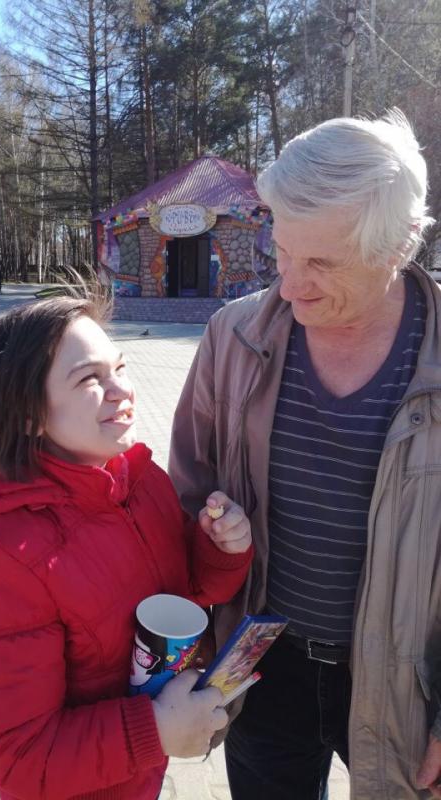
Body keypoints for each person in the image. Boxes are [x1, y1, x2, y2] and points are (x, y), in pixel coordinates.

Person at [168, 109, 441, 799]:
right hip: (261, 663)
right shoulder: (234, 337)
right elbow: (186, 494)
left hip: (412, 683)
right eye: (282, 252)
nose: (289, 285)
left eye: (321, 262)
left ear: (400, 245)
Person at [0, 289, 254, 800]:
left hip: (138, 778)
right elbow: (22, 763)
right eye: (89, 379)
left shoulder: (137, 478)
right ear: (28, 416)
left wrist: (223, 548)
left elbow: (191, 594)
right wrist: (155, 730)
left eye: (120, 367)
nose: (121, 391)